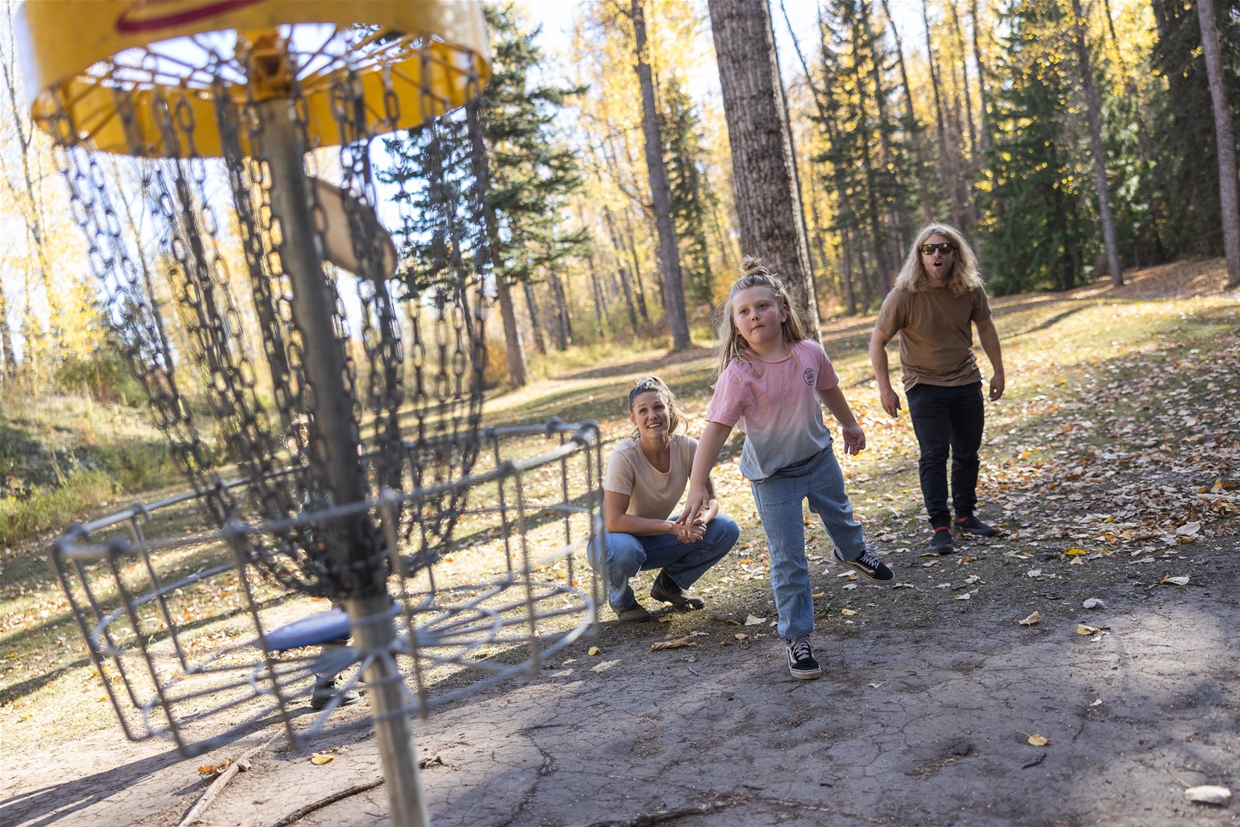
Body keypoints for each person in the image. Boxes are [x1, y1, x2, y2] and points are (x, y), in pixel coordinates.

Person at [682, 258, 893, 681]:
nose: (754, 315)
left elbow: (829, 387)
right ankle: (797, 638)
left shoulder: (809, 352)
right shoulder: (738, 375)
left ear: (781, 309)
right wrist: (695, 487)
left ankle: (852, 552)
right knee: (788, 560)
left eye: (762, 306)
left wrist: (849, 423)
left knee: (841, 514)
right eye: (744, 311)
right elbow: (714, 432)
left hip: (819, 459)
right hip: (772, 477)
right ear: (735, 324)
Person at [869, 223, 1005, 555]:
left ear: (955, 253)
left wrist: (998, 370)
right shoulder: (903, 295)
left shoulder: (970, 289)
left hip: (966, 380)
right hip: (923, 385)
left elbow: (985, 326)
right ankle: (940, 526)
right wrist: (885, 388)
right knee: (933, 455)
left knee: (967, 453)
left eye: (944, 248)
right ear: (919, 256)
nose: (936, 255)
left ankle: (965, 515)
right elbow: (878, 341)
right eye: (928, 250)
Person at [595, 376, 740, 622]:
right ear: (633, 418)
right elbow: (614, 521)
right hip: (611, 541)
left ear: (670, 410)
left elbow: (712, 500)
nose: (652, 415)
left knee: (725, 528)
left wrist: (699, 522)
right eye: (643, 411)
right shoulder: (624, 457)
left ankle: (670, 585)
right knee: (624, 551)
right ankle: (623, 601)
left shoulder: (689, 448)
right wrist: (673, 528)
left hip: (654, 538)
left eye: (658, 407)